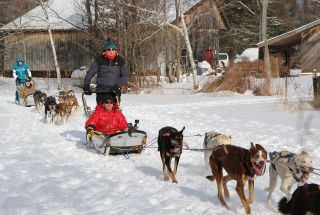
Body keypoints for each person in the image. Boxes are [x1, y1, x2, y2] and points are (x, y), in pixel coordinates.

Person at [83, 38, 129, 104]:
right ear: (105, 51)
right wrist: (86, 85)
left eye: (113, 49)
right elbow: (90, 72)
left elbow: (125, 76)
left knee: (114, 111)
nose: (111, 51)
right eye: (109, 49)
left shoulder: (120, 60)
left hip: (114, 90)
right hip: (101, 90)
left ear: (115, 51)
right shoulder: (99, 60)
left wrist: (117, 85)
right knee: (101, 111)